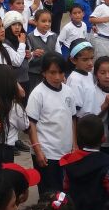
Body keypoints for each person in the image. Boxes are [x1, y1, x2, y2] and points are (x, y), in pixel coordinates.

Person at [27, 53, 79, 196]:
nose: (57, 77)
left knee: (64, 192)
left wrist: (74, 145)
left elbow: (73, 118)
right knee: (49, 194)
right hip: (47, 153)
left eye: (60, 72)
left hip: (66, 153)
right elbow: (31, 124)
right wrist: (38, 151)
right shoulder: (38, 94)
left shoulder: (68, 91)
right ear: (43, 73)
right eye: (52, 72)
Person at [26, 9, 60, 91]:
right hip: (34, 75)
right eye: (43, 21)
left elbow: (59, 54)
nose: (47, 24)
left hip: (50, 74)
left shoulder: (54, 36)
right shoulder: (29, 37)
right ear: (35, 22)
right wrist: (33, 53)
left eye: (49, 21)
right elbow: (26, 59)